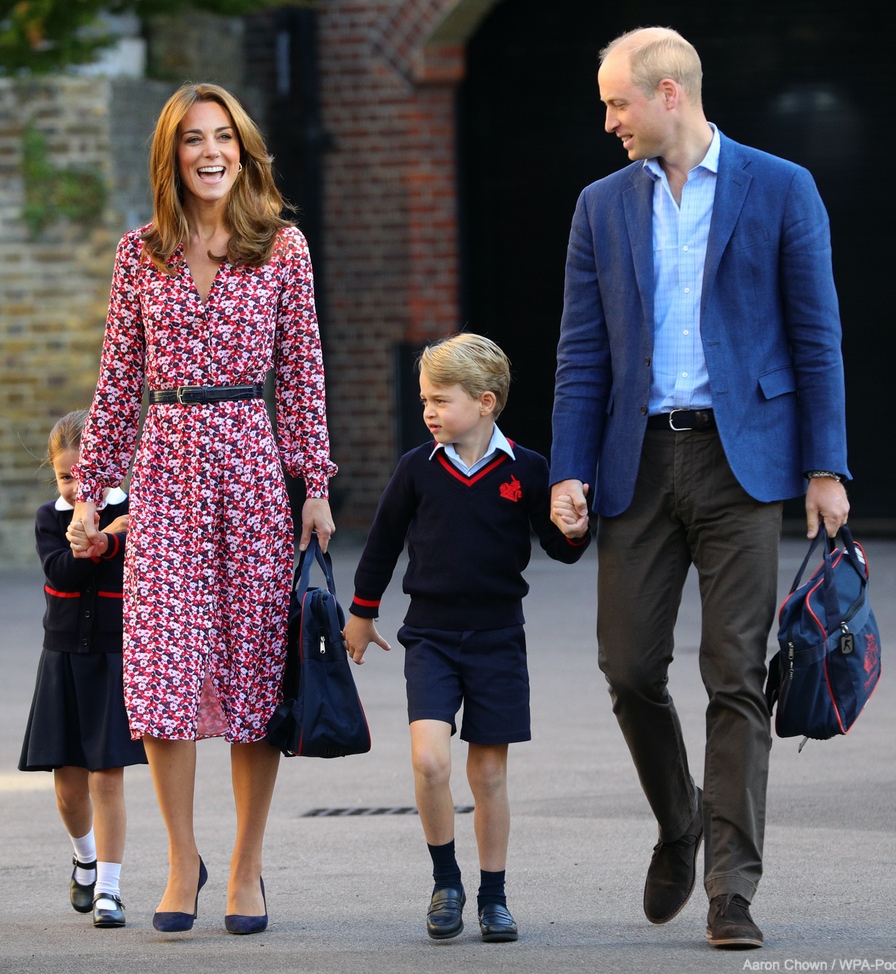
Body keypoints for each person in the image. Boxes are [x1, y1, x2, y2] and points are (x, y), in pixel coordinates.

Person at [550, 27, 849, 950]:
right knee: (629, 668)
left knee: (735, 675)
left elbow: (817, 336)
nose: (608, 122)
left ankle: (730, 888)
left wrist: (826, 466)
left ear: (669, 92)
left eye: (617, 103)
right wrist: (567, 466)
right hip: (635, 464)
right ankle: (680, 823)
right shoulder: (600, 206)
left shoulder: (782, 187)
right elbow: (581, 352)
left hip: (741, 461)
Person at [69, 83, 337, 935]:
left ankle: (248, 868)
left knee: (257, 675)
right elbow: (116, 387)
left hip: (252, 470)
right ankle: (183, 860)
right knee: (162, 673)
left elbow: (301, 376)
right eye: (194, 140)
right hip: (167, 470)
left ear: (245, 150)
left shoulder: (281, 249)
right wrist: (88, 494)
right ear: (172, 156)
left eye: (225, 137)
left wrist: (317, 484)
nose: (211, 152)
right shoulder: (137, 254)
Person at [343, 333, 590, 943]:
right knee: (429, 760)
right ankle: (445, 882)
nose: (428, 410)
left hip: (499, 637)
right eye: (424, 398)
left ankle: (494, 895)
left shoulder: (528, 470)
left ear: (486, 402)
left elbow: (560, 548)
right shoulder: (416, 469)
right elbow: (380, 545)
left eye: (440, 400)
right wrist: (361, 612)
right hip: (429, 634)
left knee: (487, 775)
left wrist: (577, 526)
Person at [19, 410, 147, 929]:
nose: (76, 486)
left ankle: (111, 891)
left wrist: (114, 534)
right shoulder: (51, 519)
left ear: (112, 468)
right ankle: (85, 859)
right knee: (69, 784)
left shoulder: (133, 512)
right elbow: (61, 572)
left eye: (86, 475)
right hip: (63, 659)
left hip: (112, 660)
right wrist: (99, 537)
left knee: (107, 778)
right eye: (66, 476)